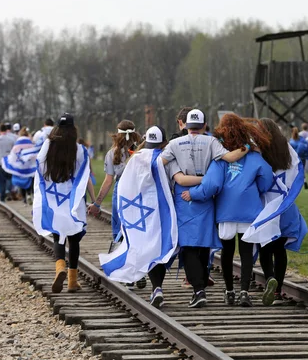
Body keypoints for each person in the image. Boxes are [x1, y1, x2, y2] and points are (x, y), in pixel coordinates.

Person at [99, 126, 201, 308]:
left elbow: (124, 187)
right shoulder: (166, 159)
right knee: (162, 249)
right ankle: (187, 288)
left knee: (149, 247)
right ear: (163, 143)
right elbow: (178, 180)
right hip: (163, 213)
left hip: (142, 214)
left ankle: (157, 288)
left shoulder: (134, 160)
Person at [181, 114, 273, 307]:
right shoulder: (255, 156)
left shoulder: (221, 158)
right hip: (249, 210)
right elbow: (266, 180)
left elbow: (212, 185)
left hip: (226, 211)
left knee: (228, 252)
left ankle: (229, 291)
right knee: (247, 252)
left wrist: (194, 194)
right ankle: (245, 292)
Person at [161, 109, 250, 308]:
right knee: (203, 243)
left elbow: (160, 162)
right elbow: (229, 158)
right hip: (207, 193)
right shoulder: (211, 142)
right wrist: (247, 146)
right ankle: (202, 282)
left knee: (188, 245)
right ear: (203, 125)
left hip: (184, 196)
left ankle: (198, 289)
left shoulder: (175, 144)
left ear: (185, 125)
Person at [243, 118, 308, 306]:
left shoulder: (260, 150)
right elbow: (298, 171)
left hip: (265, 205)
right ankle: (278, 289)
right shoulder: (288, 148)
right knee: (280, 249)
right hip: (285, 204)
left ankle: (269, 277)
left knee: (266, 246)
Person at [33, 113, 96, 294]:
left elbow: (39, 169)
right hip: (72, 200)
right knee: (74, 238)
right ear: (73, 129)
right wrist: (94, 200)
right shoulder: (80, 150)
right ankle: (72, 280)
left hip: (53, 198)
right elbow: (85, 178)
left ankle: (60, 265)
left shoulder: (48, 147)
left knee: (57, 235)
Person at [88, 120, 141, 242]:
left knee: (119, 230)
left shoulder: (112, 153)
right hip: (139, 192)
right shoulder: (142, 151)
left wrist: (97, 204)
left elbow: (108, 181)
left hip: (121, 193)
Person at [3, 127, 37, 205]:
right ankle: (29, 194)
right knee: (30, 181)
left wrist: (10, 161)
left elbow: (13, 154)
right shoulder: (30, 142)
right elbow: (33, 153)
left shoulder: (18, 142)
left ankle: (24, 199)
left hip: (20, 166)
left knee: (21, 183)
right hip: (29, 166)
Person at [0, 123, 16, 202]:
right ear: (6, 130)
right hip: (9, 162)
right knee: (9, 178)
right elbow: (14, 151)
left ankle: (2, 198)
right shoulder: (11, 140)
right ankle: (8, 190)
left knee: (1, 181)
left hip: (0, 162)